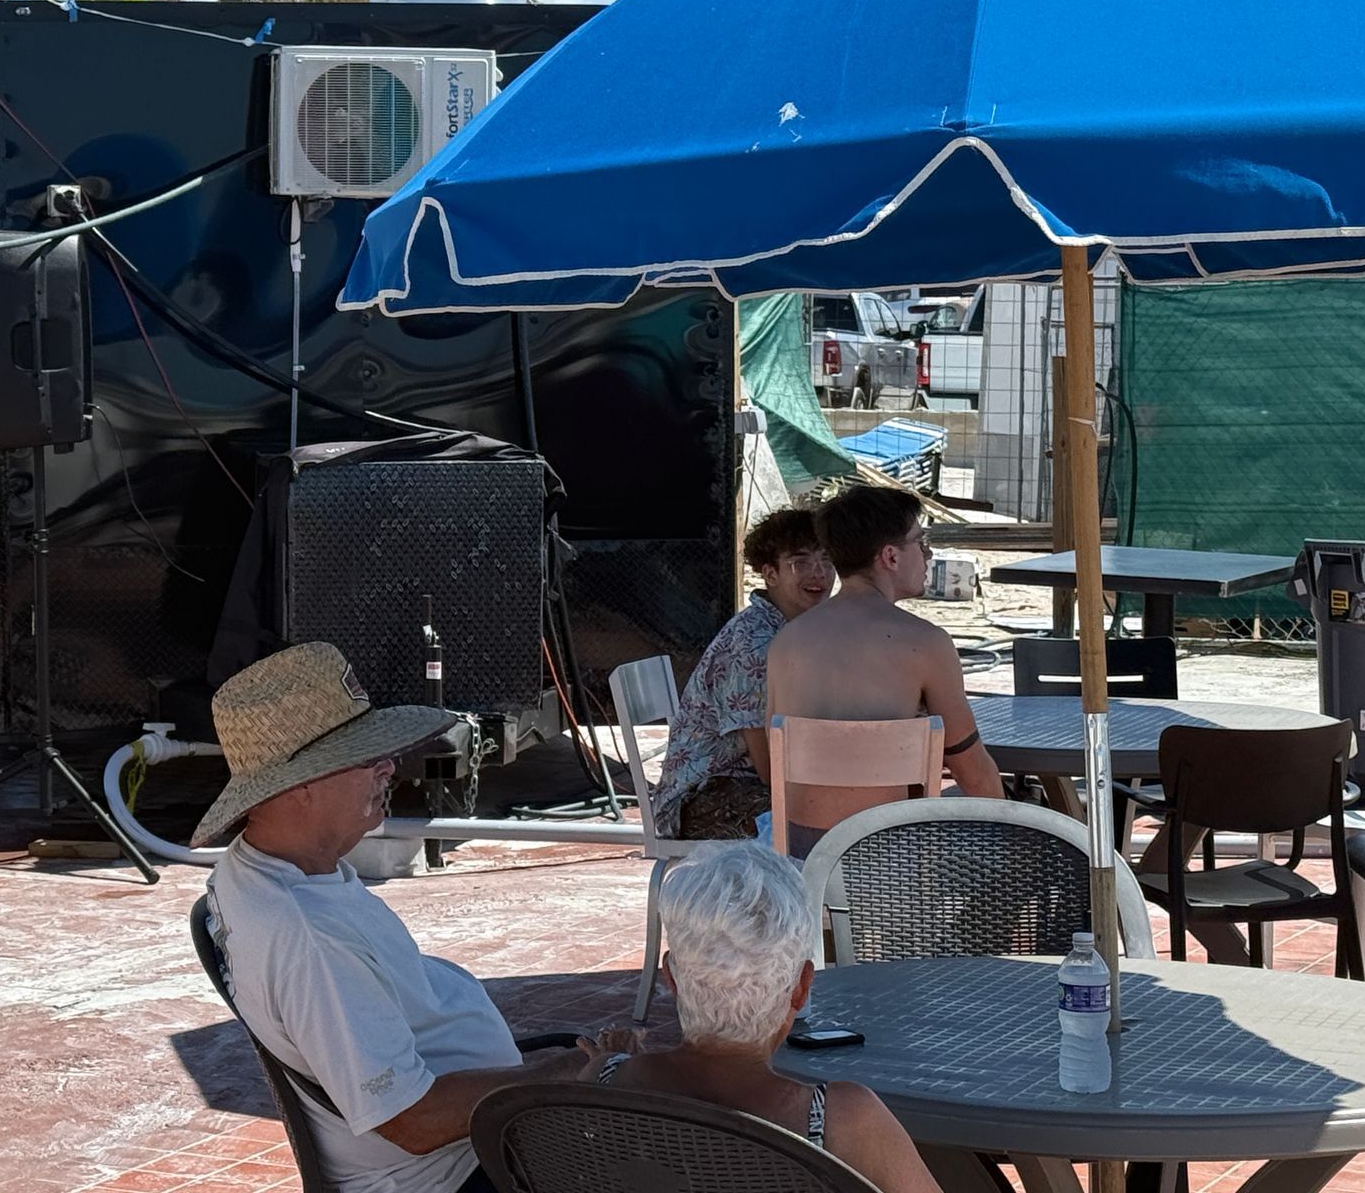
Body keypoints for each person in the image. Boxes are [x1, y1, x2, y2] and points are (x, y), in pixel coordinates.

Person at [195, 642, 626, 1193]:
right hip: (461, 1171)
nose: (388, 767)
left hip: (479, 1137)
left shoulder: (261, 870)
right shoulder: (307, 940)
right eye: (363, 756)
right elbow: (411, 1122)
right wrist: (563, 1075)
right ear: (297, 788)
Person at [580, 841, 940, 1193]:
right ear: (800, 989)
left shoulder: (602, 1085)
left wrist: (619, 1063)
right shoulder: (842, 1120)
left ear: (672, 978)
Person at [764, 486, 1003, 856]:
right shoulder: (925, 643)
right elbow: (972, 771)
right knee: (1022, 824)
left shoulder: (786, 642)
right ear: (890, 556)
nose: (928, 554)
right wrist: (1010, 833)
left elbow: (771, 748)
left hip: (801, 858)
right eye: (920, 542)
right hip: (892, 864)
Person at [653, 508, 835, 839]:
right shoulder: (757, 643)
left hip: (749, 784)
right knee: (832, 816)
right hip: (703, 798)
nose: (818, 573)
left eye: (826, 559)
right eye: (801, 562)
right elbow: (769, 768)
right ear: (770, 573)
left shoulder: (803, 630)